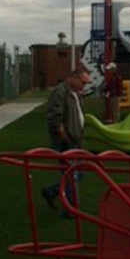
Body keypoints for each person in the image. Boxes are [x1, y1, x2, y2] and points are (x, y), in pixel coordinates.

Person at [41, 67, 90, 217]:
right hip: (66, 142)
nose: (84, 86)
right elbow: (55, 120)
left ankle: (52, 192)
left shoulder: (76, 93)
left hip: (74, 141)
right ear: (73, 78)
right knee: (72, 174)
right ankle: (71, 209)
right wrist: (67, 139)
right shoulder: (60, 92)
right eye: (82, 82)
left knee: (77, 173)